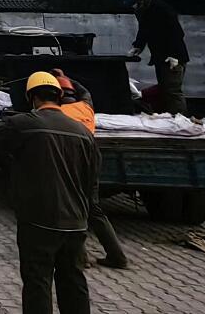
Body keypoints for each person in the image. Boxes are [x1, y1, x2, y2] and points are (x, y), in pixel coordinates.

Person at [0, 71, 100, 314]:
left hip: (38, 220)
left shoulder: (24, 124)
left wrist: (13, 162)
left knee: (38, 282)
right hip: (76, 223)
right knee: (74, 282)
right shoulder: (83, 133)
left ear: (32, 98)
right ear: (59, 97)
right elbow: (91, 180)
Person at [52, 69, 128, 270]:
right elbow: (84, 90)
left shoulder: (58, 112)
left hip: (69, 160)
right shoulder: (86, 106)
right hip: (92, 158)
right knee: (94, 209)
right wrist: (65, 77)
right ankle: (117, 256)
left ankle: (80, 257)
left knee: (70, 207)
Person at [120, 0, 189, 116]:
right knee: (164, 88)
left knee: (172, 90)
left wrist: (174, 54)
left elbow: (176, 32)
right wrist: (138, 46)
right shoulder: (144, 11)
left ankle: (180, 119)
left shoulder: (162, 9)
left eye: (134, 2)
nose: (134, 6)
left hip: (173, 57)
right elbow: (144, 30)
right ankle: (170, 116)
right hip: (160, 56)